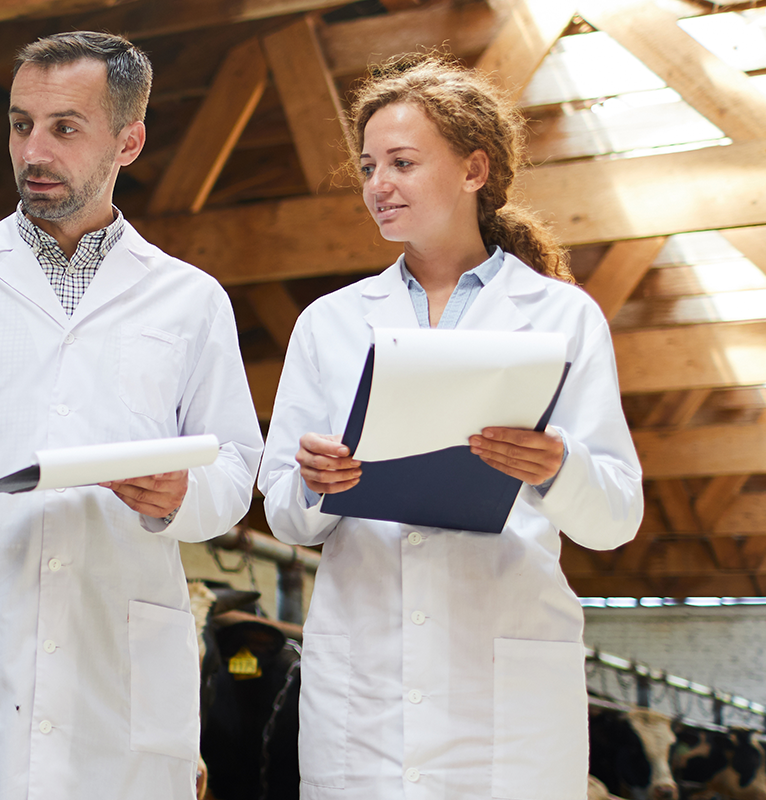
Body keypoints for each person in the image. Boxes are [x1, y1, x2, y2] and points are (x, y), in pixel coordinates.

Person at [0, 31, 261, 799]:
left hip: (118, 659)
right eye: (19, 123)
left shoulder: (191, 301)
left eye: (65, 127)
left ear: (128, 140)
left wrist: (180, 495)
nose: (33, 148)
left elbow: (233, 467)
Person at [258, 57, 643, 799]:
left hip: (505, 689)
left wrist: (555, 466)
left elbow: (617, 515)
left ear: (474, 169)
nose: (379, 185)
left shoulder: (562, 318)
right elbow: (285, 512)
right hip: (363, 693)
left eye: (402, 162)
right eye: (369, 166)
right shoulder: (328, 326)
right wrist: (315, 484)